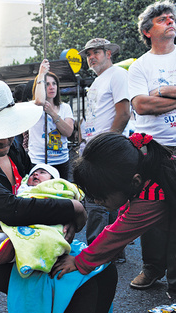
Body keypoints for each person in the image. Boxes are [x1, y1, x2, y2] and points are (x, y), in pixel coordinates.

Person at [0, 80, 116, 313]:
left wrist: (67, 214)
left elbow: (39, 188)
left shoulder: (11, 147)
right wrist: (74, 209)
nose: (4, 139)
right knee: (76, 284)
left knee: (104, 269)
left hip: (24, 237)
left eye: (8, 130)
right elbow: (10, 208)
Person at [51, 132, 176, 300]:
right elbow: (123, 218)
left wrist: (80, 261)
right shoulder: (144, 176)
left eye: (102, 196)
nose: (97, 200)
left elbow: (116, 234)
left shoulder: (151, 198)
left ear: (135, 182)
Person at [127, 1, 176, 295]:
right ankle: (153, 268)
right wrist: (153, 97)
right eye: (161, 19)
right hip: (152, 151)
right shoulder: (140, 66)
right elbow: (142, 106)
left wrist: (160, 91)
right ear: (148, 31)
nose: (170, 21)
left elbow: (151, 100)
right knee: (152, 212)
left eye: (171, 17)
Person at [78, 38, 131, 251]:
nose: (91, 57)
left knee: (97, 202)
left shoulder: (117, 74)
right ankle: (109, 252)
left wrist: (107, 144)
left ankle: (97, 252)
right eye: (88, 54)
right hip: (94, 148)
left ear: (109, 53)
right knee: (106, 202)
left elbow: (124, 113)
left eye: (96, 52)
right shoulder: (98, 81)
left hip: (106, 149)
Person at [29, 59, 74, 180]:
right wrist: (41, 74)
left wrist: (53, 114)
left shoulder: (65, 107)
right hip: (38, 160)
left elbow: (68, 132)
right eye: (47, 84)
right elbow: (39, 101)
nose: (51, 87)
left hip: (60, 160)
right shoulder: (33, 107)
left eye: (54, 84)